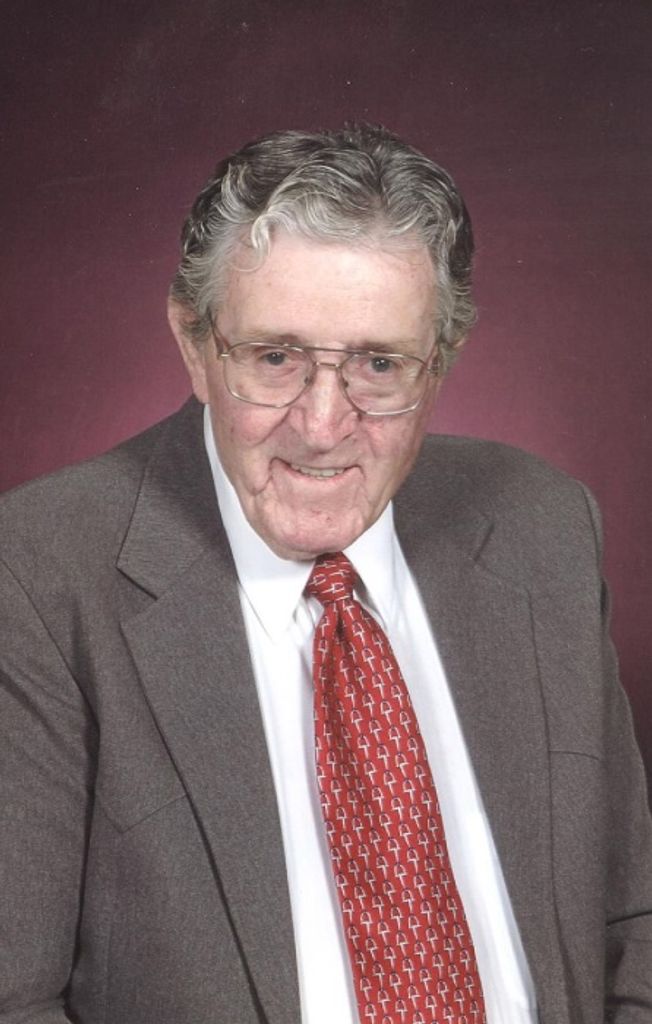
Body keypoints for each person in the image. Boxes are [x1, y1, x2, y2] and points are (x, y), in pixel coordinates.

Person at [0, 124, 650, 1024]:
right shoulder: (37, 572)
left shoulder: (543, 526)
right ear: (194, 343)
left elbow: (634, 924)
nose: (321, 424)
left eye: (379, 364)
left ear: (441, 362)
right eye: (276, 357)